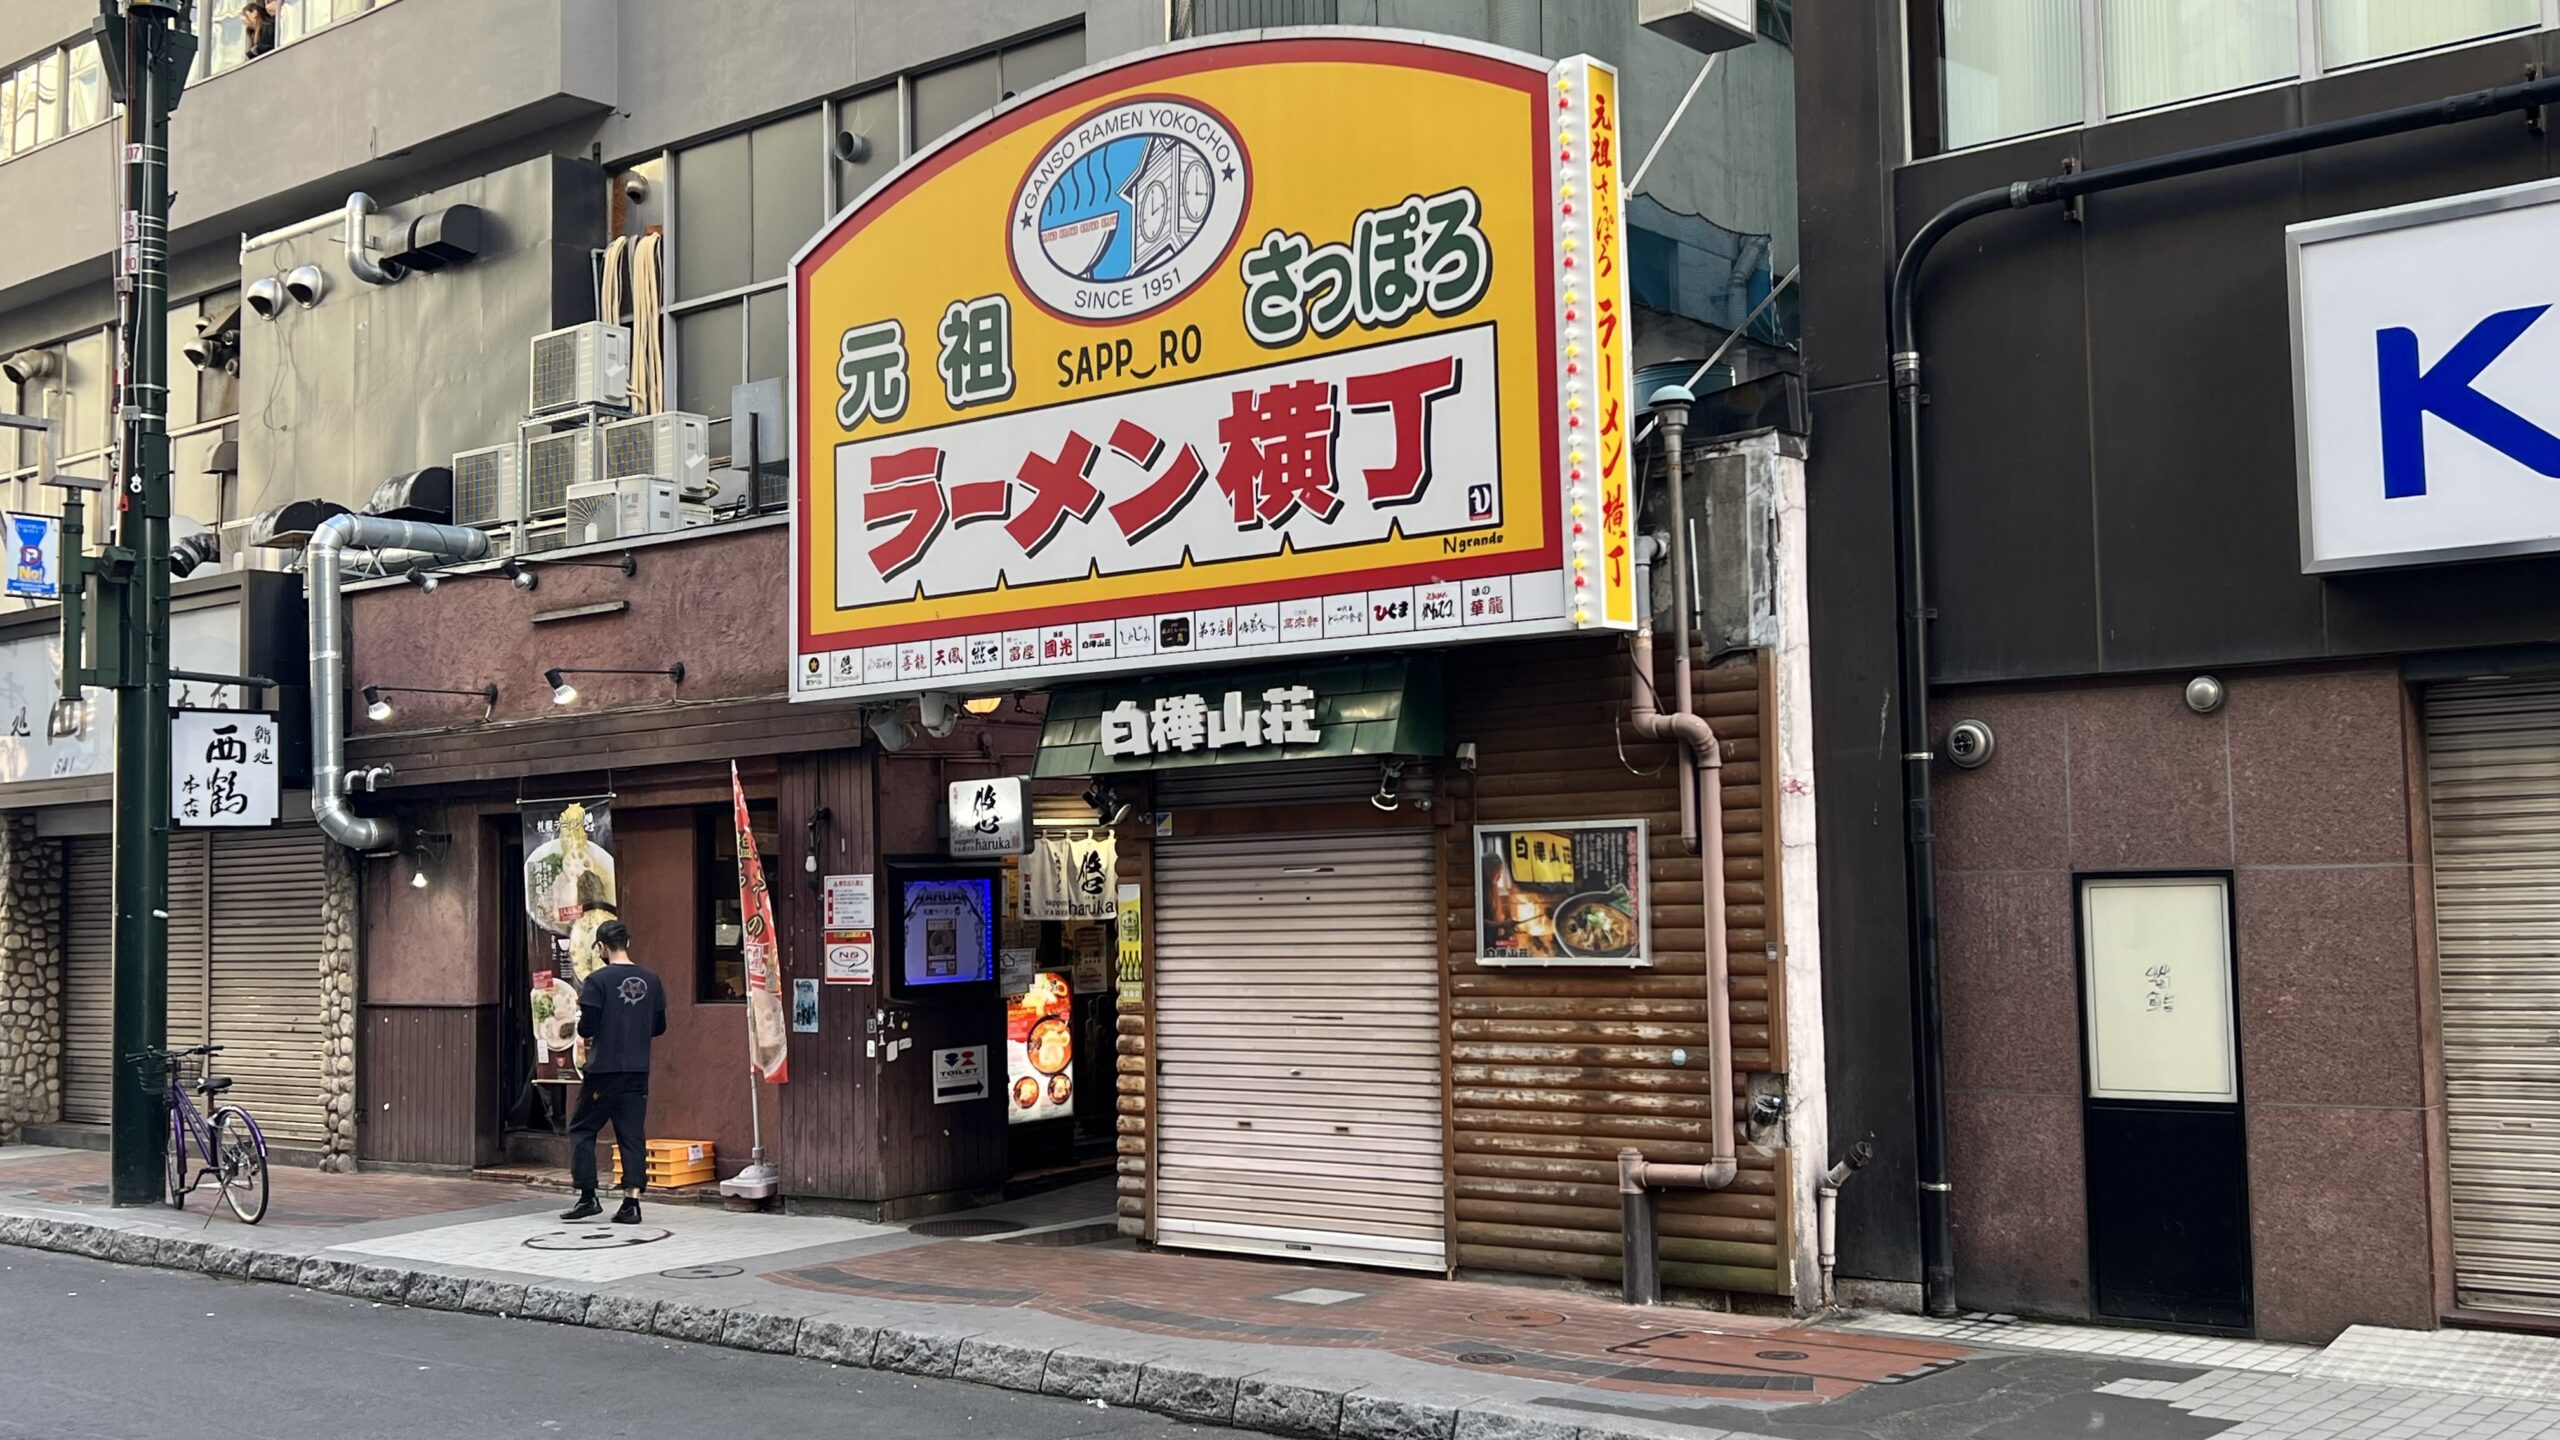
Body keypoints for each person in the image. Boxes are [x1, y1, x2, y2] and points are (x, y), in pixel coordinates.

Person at [560, 919, 665, 1224]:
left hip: (604, 1070)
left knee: (582, 1129)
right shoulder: (652, 979)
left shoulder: (597, 981)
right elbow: (659, 1026)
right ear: (628, 943)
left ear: (601, 947)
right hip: (637, 1069)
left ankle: (588, 1196)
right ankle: (631, 1204)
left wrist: (586, 1023)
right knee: (632, 1134)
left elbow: (587, 1026)